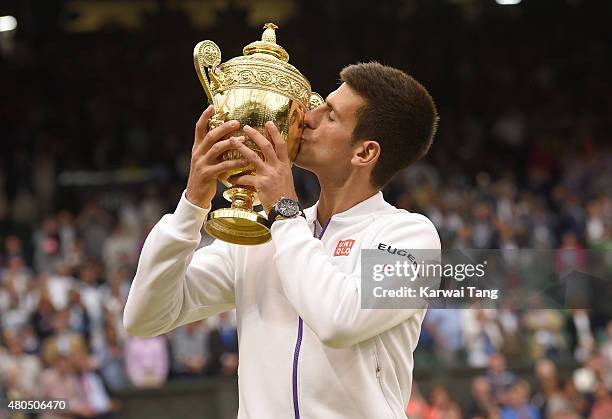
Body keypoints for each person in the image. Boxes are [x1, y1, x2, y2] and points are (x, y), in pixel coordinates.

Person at [124, 62, 440, 418]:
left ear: (364, 153)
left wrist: (284, 212)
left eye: (331, 115)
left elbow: (339, 320)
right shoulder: (267, 233)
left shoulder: (412, 237)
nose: (306, 116)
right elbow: (144, 318)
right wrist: (191, 205)